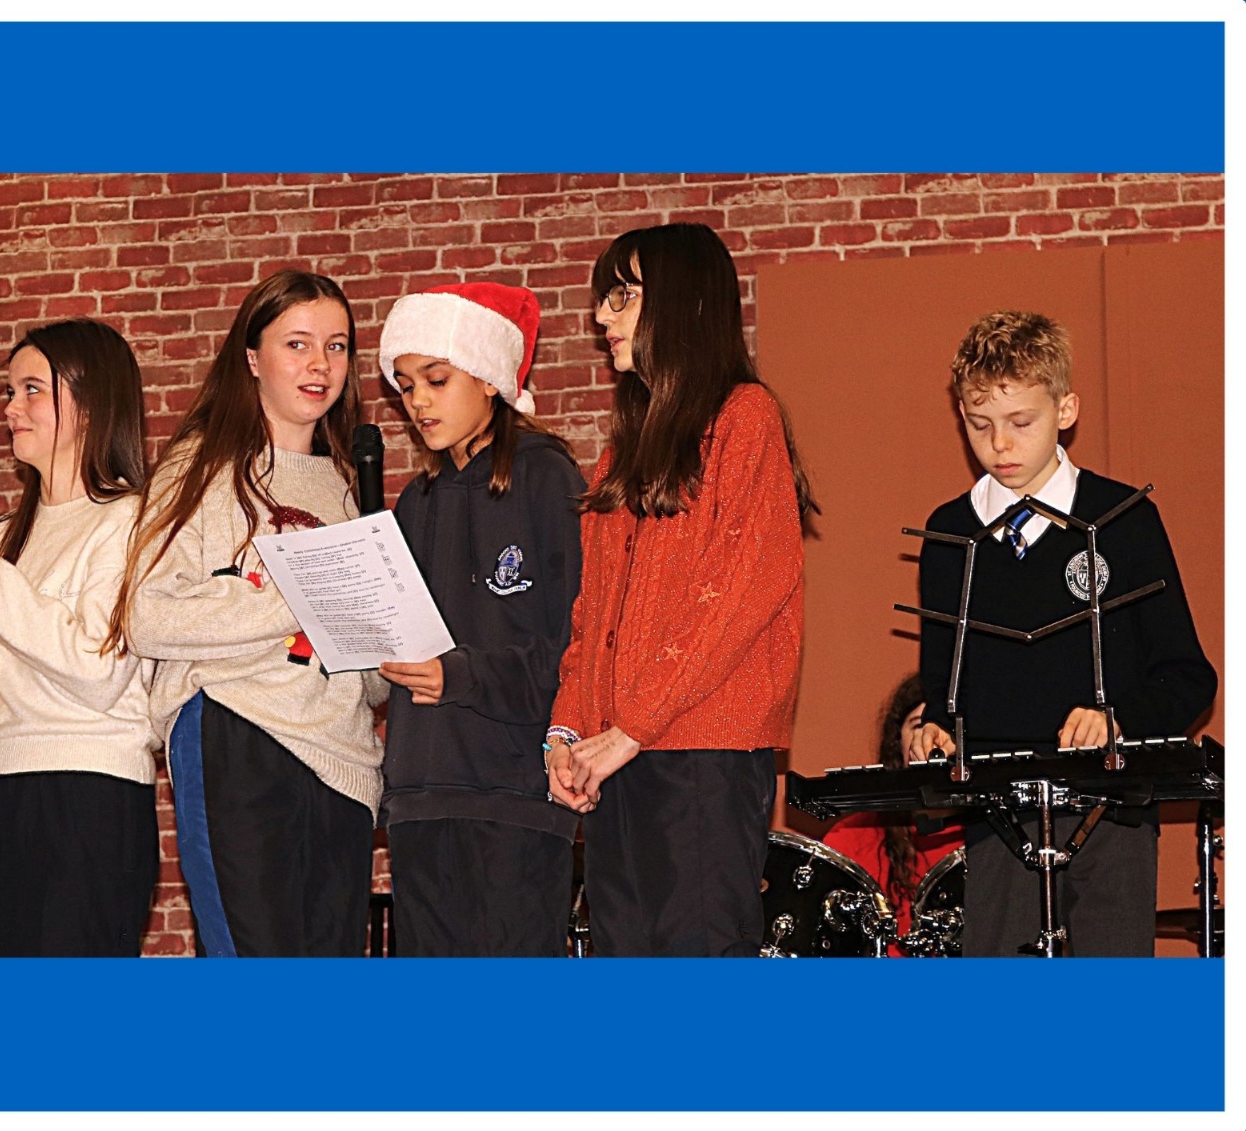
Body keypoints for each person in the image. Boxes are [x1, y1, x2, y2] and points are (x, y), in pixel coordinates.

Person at [543, 222, 814, 957]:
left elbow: (739, 593)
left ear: (684, 302)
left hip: (702, 755)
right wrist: (567, 733)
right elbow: (592, 617)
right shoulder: (620, 455)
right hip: (620, 753)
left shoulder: (745, 417)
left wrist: (631, 726)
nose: (601, 315)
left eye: (622, 296)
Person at [910, 310, 1216, 957]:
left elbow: (1189, 677)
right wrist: (933, 728)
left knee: (1111, 1005)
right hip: (998, 818)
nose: (1000, 444)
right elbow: (943, 686)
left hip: (1113, 813)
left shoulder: (1124, 519)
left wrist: (1118, 719)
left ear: (1066, 409)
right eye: (980, 424)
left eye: (1021, 422)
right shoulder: (949, 534)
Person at [110, 270, 385, 957]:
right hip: (239, 734)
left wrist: (392, 648)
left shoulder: (349, 487)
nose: (320, 364)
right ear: (253, 359)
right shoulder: (199, 468)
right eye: (298, 343)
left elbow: (370, 677)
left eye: (337, 346)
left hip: (345, 759)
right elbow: (148, 615)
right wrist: (303, 590)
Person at [0, 320, 159, 956]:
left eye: (31, 390)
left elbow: (98, 669)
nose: (11, 408)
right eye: (9, 392)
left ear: (91, 403)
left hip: (90, 796)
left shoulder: (134, 522)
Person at [374, 282, 586, 956]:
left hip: (512, 796)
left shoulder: (548, 481)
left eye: (436, 379)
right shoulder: (416, 503)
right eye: (406, 385)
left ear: (490, 376)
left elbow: (576, 648)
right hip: (418, 798)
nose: (418, 402)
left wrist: (461, 675)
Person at [822, 674, 963, 954]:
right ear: (898, 742)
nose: (931, 740)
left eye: (946, 728)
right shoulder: (851, 837)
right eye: (919, 726)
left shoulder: (994, 837)